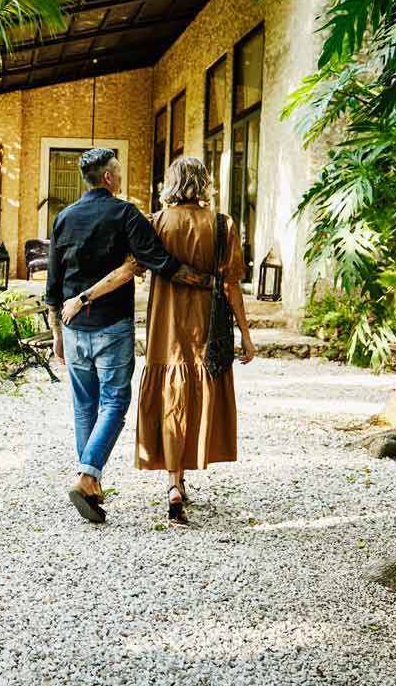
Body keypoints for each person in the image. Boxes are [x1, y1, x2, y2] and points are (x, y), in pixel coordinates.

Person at [61, 156, 255, 524]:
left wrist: (84, 297)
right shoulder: (222, 224)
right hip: (205, 329)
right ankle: (178, 479)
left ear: (171, 183)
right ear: (204, 182)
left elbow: (131, 269)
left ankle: (173, 482)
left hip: (165, 329)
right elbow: (231, 284)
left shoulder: (154, 222)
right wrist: (245, 334)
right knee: (194, 395)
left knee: (170, 396)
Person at [44, 148, 203, 524]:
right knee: (114, 403)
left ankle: (92, 484)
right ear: (110, 178)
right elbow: (160, 262)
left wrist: (55, 334)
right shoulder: (125, 213)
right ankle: (87, 477)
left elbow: (53, 285)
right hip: (111, 327)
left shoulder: (63, 218)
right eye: (120, 171)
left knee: (84, 405)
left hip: (71, 327)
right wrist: (206, 281)